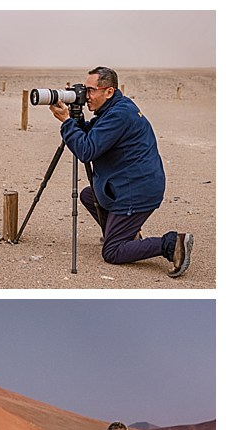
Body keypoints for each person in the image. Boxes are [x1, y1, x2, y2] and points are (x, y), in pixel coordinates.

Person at [49, 66, 193, 277]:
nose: (85, 96)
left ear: (109, 91)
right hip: (132, 184)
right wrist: (76, 121)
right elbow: (94, 134)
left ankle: (171, 243)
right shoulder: (115, 108)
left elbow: (86, 150)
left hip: (136, 191)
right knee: (89, 195)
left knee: (112, 252)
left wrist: (67, 123)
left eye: (91, 90)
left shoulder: (119, 115)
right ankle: (126, 234)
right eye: (84, 90)